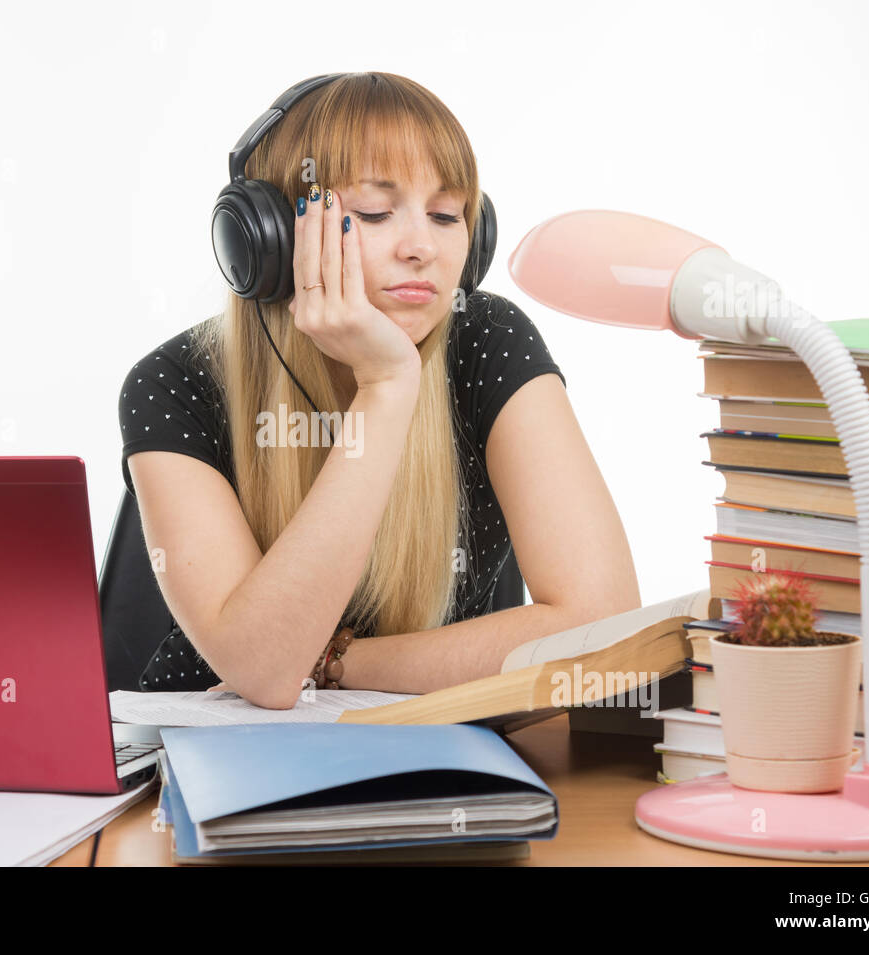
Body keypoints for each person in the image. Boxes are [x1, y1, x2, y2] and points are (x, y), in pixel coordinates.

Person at [118, 72, 640, 709]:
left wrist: (340, 660)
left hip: (432, 761)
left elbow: (604, 633)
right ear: (269, 236)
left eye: (447, 215)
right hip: (203, 762)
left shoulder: (489, 340)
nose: (422, 246)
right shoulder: (173, 384)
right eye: (373, 211)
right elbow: (264, 670)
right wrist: (388, 386)